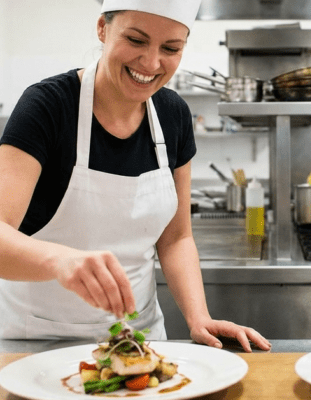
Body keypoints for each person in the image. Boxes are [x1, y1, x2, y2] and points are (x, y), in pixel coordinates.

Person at [0, 0, 271, 352]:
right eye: (136, 40)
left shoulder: (173, 114)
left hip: (139, 344)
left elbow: (176, 238)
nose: (152, 63)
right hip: (37, 344)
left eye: (170, 48)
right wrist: (59, 260)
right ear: (103, 28)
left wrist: (199, 317)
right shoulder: (47, 106)